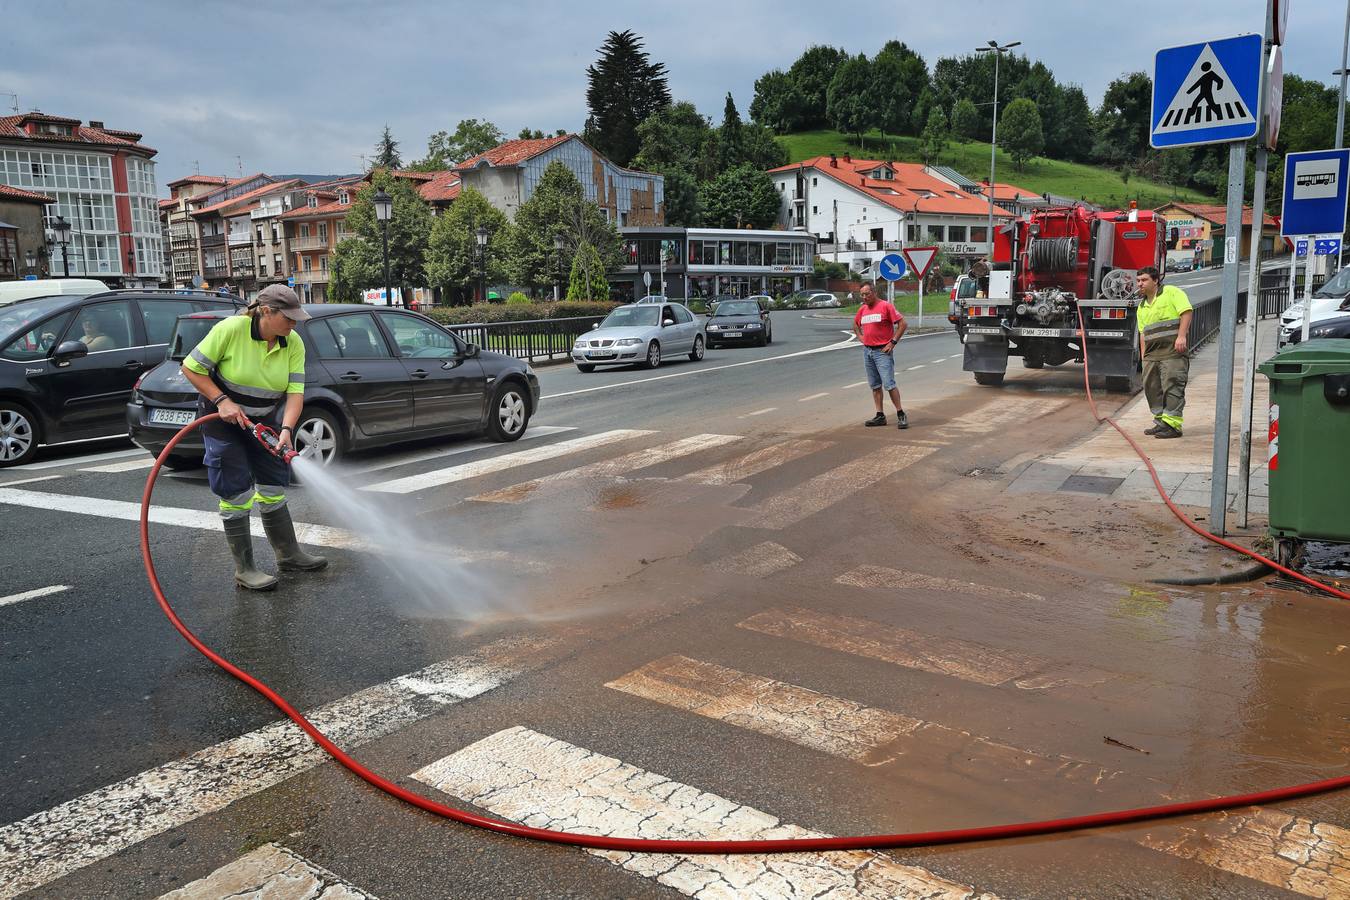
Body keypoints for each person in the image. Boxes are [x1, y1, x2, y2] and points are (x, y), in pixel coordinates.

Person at [181, 284, 327, 590]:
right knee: (235, 489)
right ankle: (244, 569)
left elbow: (295, 393)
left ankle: (288, 554)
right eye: (288, 318)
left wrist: (287, 430)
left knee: (273, 484)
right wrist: (222, 401)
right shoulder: (232, 329)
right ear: (265, 311)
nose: (293, 323)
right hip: (222, 418)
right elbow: (191, 368)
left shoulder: (293, 342)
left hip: (264, 420)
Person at [1136, 266, 1193, 440]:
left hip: (1172, 352)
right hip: (1152, 356)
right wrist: (1143, 357)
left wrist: (1181, 336)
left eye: (1144, 280)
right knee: (1152, 388)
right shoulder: (1142, 305)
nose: (1140, 284)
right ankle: (1161, 422)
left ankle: (1173, 426)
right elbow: (1143, 333)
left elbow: (1186, 311)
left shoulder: (1171, 292)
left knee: (1172, 386)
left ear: (1155, 280)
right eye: (1138, 281)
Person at [852, 283, 909, 429]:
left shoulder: (885, 306)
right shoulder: (862, 309)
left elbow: (902, 324)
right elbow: (855, 324)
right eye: (862, 295)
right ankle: (880, 415)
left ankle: (901, 414)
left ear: (874, 292)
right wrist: (860, 337)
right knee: (875, 385)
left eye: (867, 294)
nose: (864, 297)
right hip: (868, 352)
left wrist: (892, 342)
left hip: (882, 352)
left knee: (889, 384)